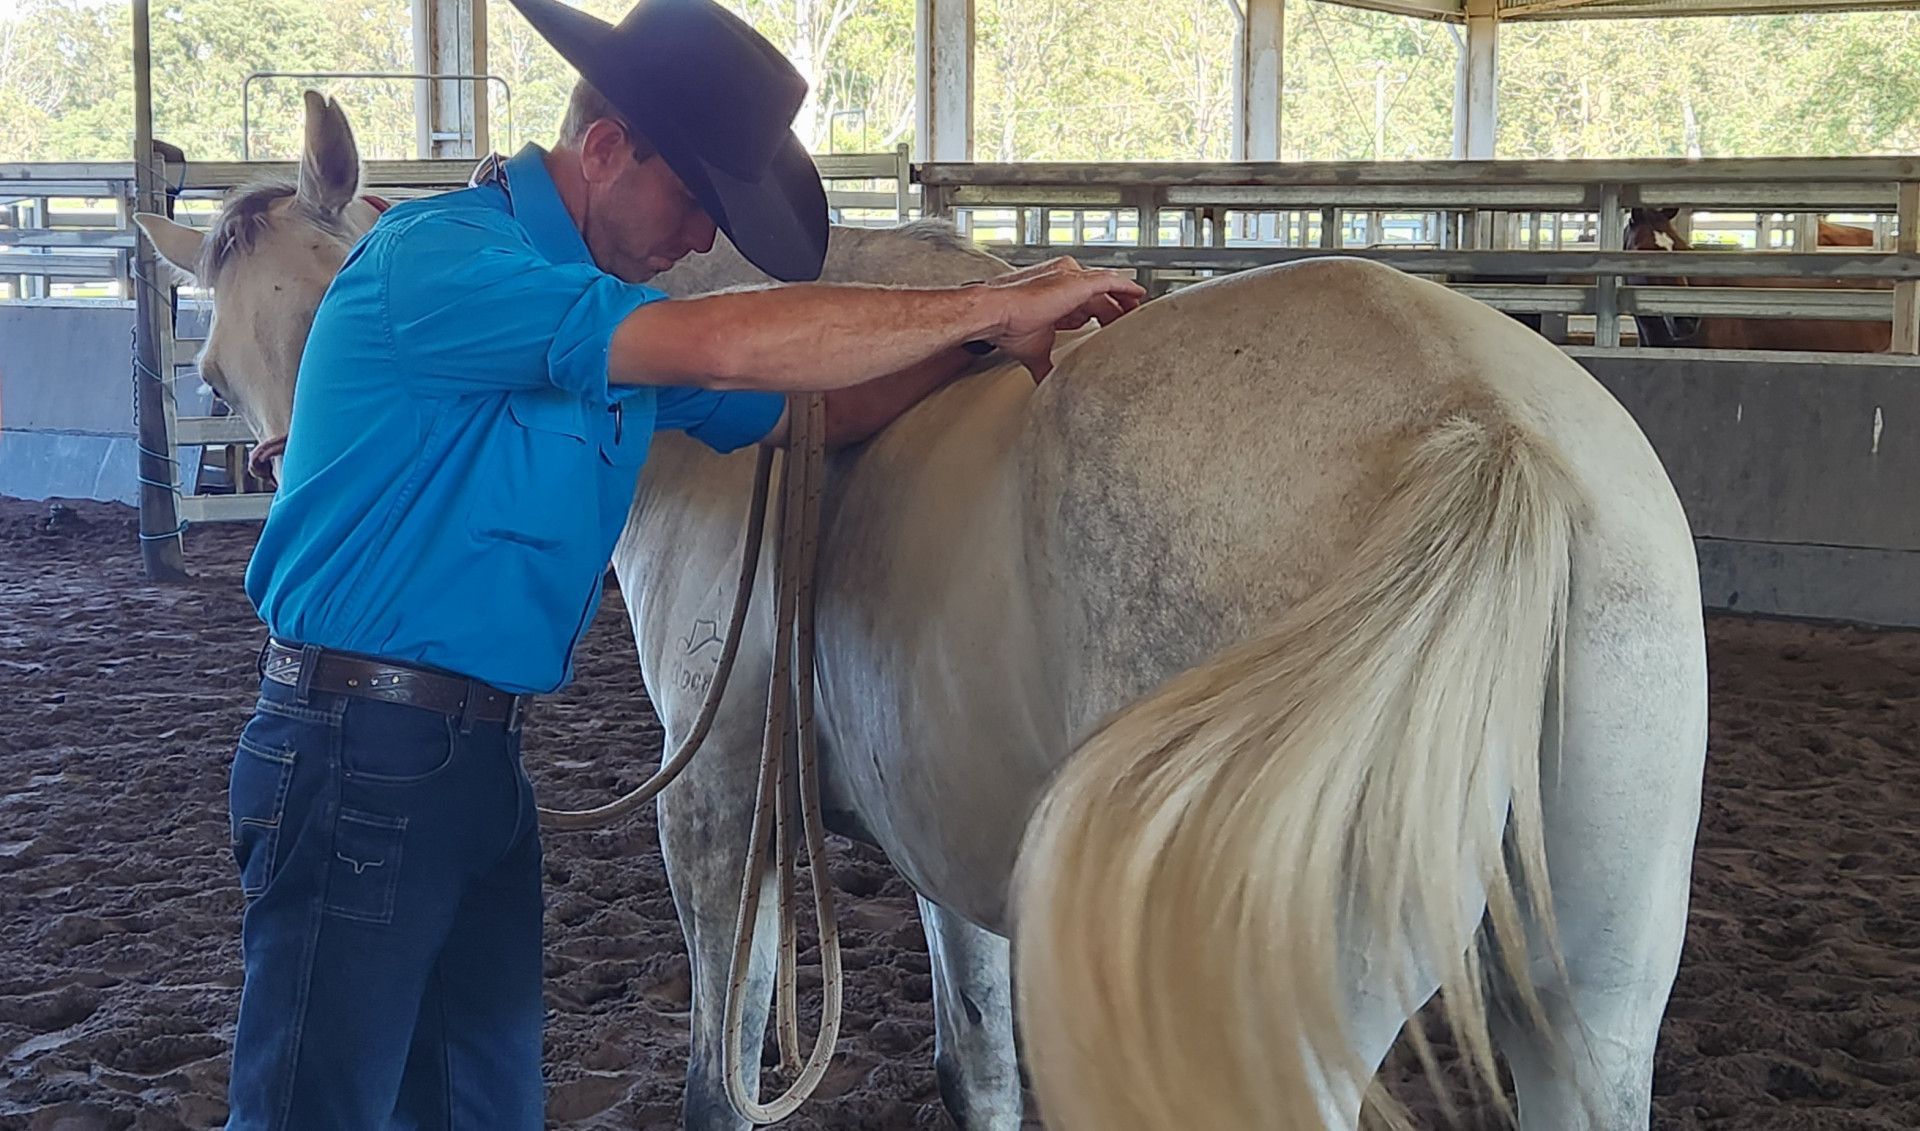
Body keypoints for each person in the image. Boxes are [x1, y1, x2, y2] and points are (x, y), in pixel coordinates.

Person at [221, 0, 1143, 1126]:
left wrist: (975, 349)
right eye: (695, 200)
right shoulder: (448, 260)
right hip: (356, 751)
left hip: (464, 760)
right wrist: (997, 297)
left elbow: (819, 411)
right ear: (606, 149)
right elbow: (723, 338)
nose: (702, 241)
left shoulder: (597, 317)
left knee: (480, 1105)